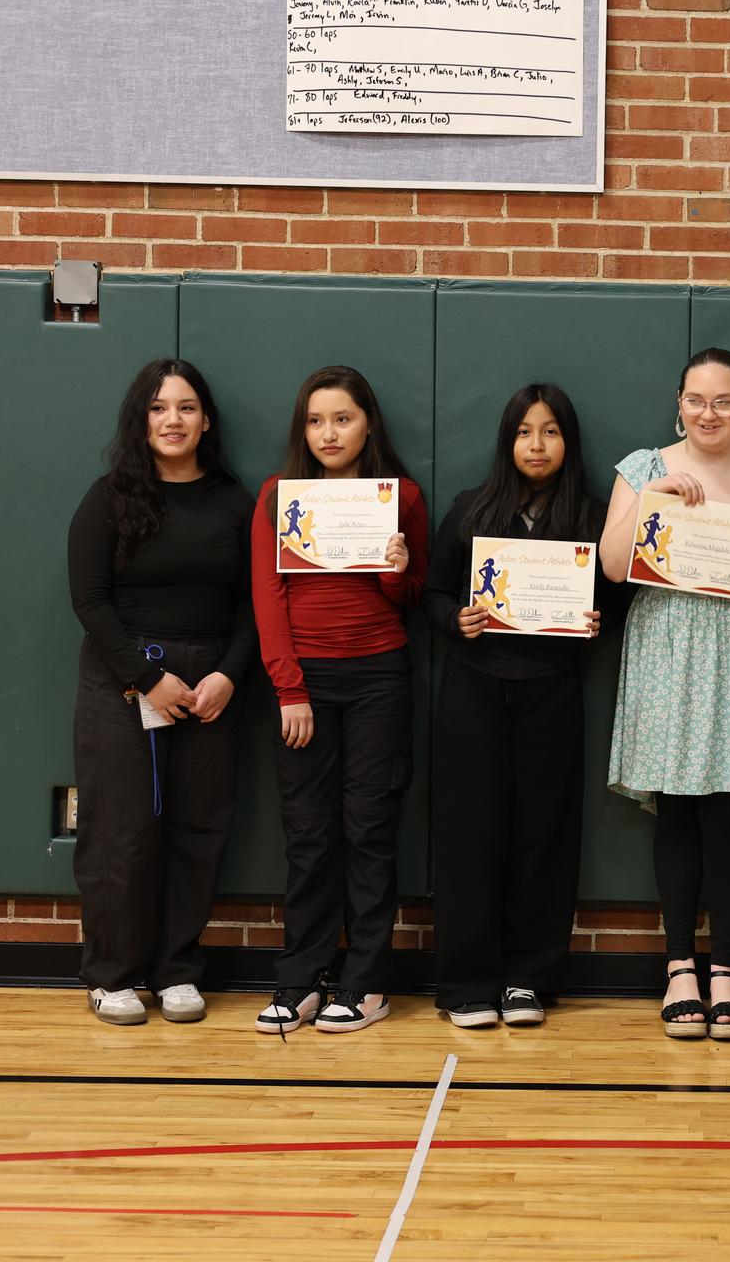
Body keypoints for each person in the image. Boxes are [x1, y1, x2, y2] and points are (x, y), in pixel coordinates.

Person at [599, 348, 730, 1041]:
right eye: (695, 400)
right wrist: (653, 498)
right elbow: (612, 566)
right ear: (678, 403)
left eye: (723, 401)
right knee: (677, 810)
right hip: (668, 649)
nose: (708, 413)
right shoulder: (643, 466)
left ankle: (728, 972)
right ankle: (680, 965)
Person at [68, 359, 255, 1027]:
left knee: (198, 832)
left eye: (185, 407)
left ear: (206, 420)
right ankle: (111, 975)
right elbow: (89, 601)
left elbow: (256, 603)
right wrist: (148, 678)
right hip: (127, 682)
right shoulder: (109, 498)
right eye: (157, 408)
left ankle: (177, 970)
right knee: (122, 831)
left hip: (211, 686)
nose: (172, 420)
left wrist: (229, 674)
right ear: (140, 421)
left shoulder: (236, 502)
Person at [426, 384, 618, 1030]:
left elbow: (620, 600)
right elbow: (432, 593)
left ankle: (529, 979)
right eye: (524, 432)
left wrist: (599, 621)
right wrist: (455, 619)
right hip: (474, 687)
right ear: (508, 441)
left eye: (551, 432)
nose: (537, 445)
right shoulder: (470, 509)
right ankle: (467, 983)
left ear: (569, 442)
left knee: (544, 835)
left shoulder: (593, 518)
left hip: (552, 689)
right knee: (469, 834)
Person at [251, 366, 427, 1035]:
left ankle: (366, 984)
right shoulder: (278, 496)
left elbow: (410, 595)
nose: (329, 433)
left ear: (368, 424)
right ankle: (300, 979)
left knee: (369, 831)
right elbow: (267, 598)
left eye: (343, 419)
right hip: (305, 685)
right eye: (316, 421)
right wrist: (290, 689)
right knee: (308, 834)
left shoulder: (401, 496)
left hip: (380, 678)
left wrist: (396, 570)